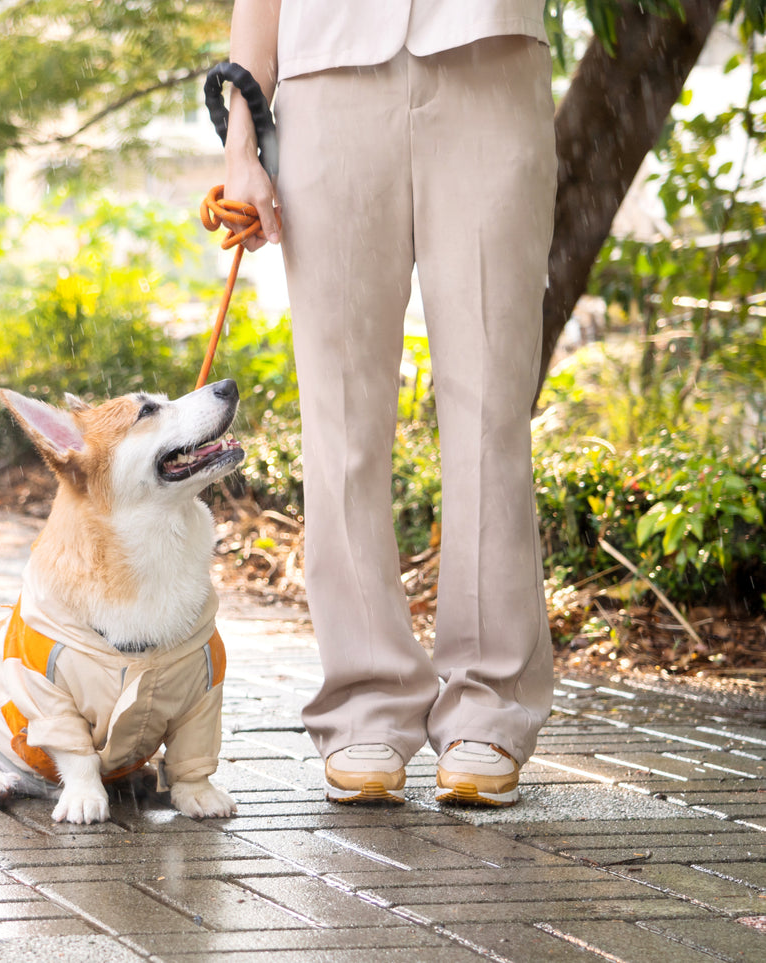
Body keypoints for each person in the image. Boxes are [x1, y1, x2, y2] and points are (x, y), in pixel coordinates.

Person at [223, 0, 557, 806]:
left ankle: (488, 706)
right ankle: (364, 701)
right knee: (338, 415)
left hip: (488, 58)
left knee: (488, 410)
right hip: (326, 82)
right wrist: (241, 139)